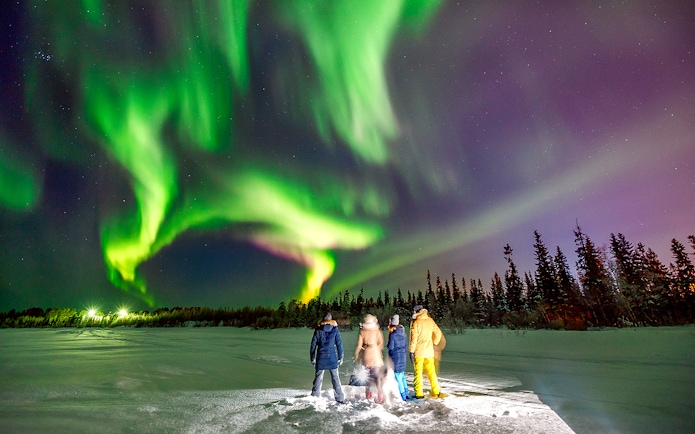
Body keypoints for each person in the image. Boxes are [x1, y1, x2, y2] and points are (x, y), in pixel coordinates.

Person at [409, 304, 443, 399]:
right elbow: (438, 333)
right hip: (429, 352)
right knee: (431, 372)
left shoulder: (416, 323)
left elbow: (413, 339)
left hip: (419, 352)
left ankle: (419, 394)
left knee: (418, 373)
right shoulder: (430, 320)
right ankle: (436, 391)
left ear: (416, 312)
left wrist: (411, 351)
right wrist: (434, 342)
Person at [310, 312, 345, 403]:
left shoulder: (318, 330)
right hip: (332, 358)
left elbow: (313, 345)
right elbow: (339, 344)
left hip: (321, 358)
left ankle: (315, 397)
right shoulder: (335, 329)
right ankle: (339, 398)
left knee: (318, 378)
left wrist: (312, 357)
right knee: (335, 378)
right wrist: (341, 357)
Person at [354, 314, 385, 402]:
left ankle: (368, 393)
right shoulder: (377, 331)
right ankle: (380, 394)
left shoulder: (362, 331)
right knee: (377, 376)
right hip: (375, 354)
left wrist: (356, 354)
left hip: (366, 354)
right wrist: (376, 348)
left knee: (368, 376)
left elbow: (359, 345)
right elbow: (381, 344)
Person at [387, 314, 409, 401]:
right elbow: (406, 346)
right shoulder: (403, 333)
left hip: (396, 358)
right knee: (402, 376)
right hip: (403, 357)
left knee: (398, 377)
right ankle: (406, 393)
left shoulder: (393, 335)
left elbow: (391, 347)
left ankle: (403, 396)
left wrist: (388, 345)